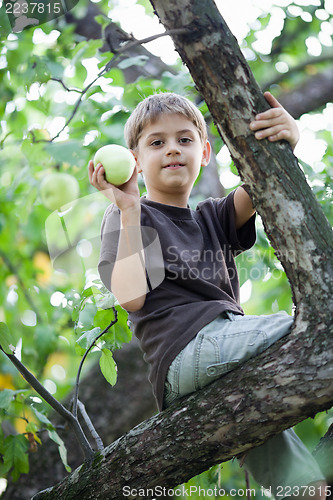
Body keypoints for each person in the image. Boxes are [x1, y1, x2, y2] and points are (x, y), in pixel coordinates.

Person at [88, 91, 326, 498]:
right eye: (156, 143)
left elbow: (262, 181)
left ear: (205, 153)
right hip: (186, 354)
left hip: (227, 360)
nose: (172, 150)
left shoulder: (212, 217)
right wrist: (128, 210)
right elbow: (130, 297)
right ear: (135, 161)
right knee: (315, 330)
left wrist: (289, 138)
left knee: (303, 482)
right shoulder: (130, 215)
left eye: (184, 139)